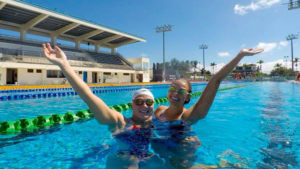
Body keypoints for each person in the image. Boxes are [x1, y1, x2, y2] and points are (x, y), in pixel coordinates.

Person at [42, 43, 162, 169]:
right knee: (128, 161)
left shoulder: (160, 124)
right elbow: (88, 96)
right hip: (123, 162)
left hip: (148, 160)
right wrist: (64, 65)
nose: (144, 105)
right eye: (139, 102)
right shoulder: (121, 123)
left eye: (148, 102)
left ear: (153, 106)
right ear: (132, 105)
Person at [152, 48, 264, 168]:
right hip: (169, 146)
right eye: (173, 89)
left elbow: (215, 80)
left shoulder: (186, 116)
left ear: (187, 97)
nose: (175, 93)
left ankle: (224, 162)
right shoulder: (159, 109)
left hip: (184, 150)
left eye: (181, 91)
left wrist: (240, 55)